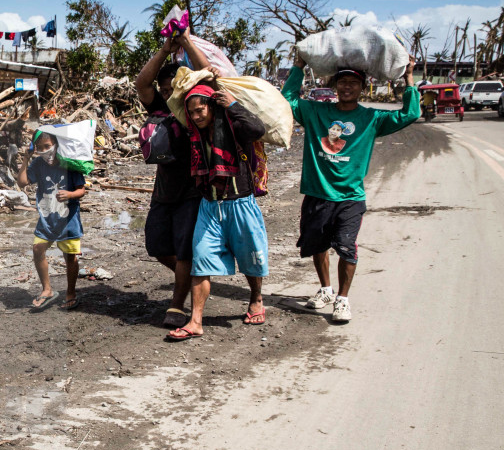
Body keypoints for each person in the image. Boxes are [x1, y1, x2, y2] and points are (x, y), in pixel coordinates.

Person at [284, 55, 419, 322]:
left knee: (347, 248)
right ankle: (325, 290)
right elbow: (288, 99)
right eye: (342, 82)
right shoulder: (316, 112)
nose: (347, 87)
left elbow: (410, 113)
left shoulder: (372, 118)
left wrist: (409, 78)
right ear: (335, 86)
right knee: (318, 245)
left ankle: (342, 300)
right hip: (317, 193)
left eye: (353, 83)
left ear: (362, 87)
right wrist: (298, 67)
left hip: (350, 197)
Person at [167, 85, 269, 341]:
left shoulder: (235, 128)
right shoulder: (195, 135)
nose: (197, 116)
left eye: (200, 110)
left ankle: (256, 299)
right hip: (209, 206)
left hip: (240, 204)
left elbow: (258, 130)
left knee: (251, 257)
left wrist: (233, 104)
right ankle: (195, 321)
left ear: (212, 106)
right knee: (201, 260)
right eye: (192, 112)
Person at [134, 29, 212, 327]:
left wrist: (187, 43)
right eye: (164, 91)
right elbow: (142, 83)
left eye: (172, 90)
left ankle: (177, 305)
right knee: (156, 245)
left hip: (193, 190)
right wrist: (165, 49)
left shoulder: (195, 108)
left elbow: (206, 74)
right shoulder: (159, 108)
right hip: (163, 191)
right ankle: (193, 279)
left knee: (183, 250)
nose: (168, 95)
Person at [16, 132, 87, 310]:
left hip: (68, 218)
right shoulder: (38, 163)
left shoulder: (69, 162)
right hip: (47, 217)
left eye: (47, 146)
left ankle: (70, 291)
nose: (44, 151)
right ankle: (47, 289)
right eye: (39, 148)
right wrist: (26, 158)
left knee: (70, 257)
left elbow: (81, 190)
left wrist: (70, 194)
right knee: (38, 248)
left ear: (56, 144)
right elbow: (22, 182)